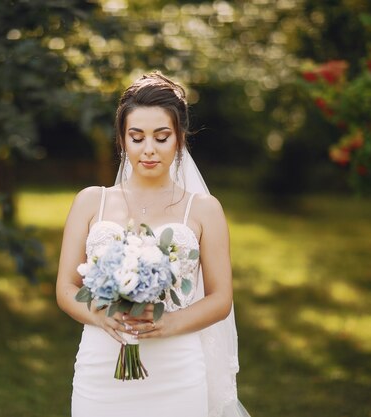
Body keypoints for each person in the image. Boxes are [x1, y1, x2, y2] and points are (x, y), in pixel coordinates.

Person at [56, 72, 251, 417]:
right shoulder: (90, 202)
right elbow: (66, 288)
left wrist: (169, 324)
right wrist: (100, 317)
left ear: (179, 139)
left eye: (162, 137)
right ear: (122, 139)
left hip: (176, 369)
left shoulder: (204, 209)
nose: (149, 149)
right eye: (137, 137)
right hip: (101, 367)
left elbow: (221, 299)